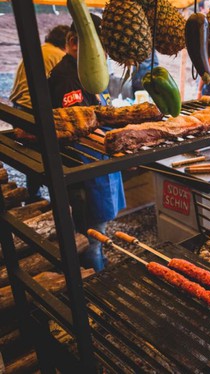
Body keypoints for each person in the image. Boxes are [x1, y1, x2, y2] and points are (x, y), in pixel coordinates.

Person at [49, 15, 126, 272]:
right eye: (97, 48)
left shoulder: (88, 72)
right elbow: (77, 130)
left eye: (104, 50)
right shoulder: (66, 77)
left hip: (101, 167)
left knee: (99, 232)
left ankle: (98, 262)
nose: (102, 56)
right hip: (86, 172)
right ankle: (95, 282)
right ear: (73, 43)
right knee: (90, 237)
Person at [10, 25, 70, 201]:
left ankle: (33, 196)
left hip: (18, 106)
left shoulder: (40, 50)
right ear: (67, 41)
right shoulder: (58, 56)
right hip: (32, 109)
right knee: (48, 155)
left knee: (32, 156)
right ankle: (56, 197)